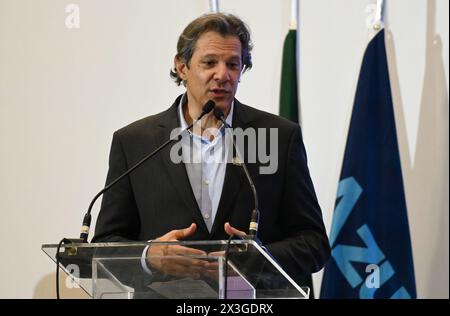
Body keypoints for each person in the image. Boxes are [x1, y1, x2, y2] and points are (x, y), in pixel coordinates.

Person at [92, 13, 330, 291]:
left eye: (233, 64)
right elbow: (104, 246)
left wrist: (256, 260)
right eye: (209, 63)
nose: (223, 75)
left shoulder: (278, 137)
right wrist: (149, 256)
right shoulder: (135, 142)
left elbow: (314, 244)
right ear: (182, 66)